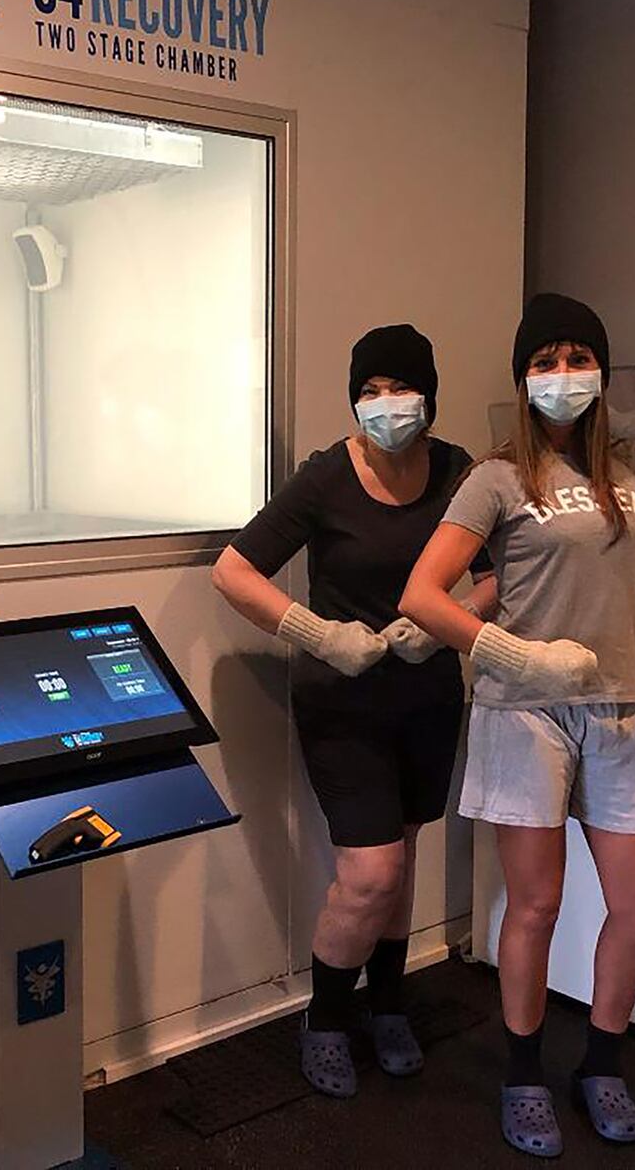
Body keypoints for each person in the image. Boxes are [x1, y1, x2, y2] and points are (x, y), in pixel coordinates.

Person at [399, 294, 635, 1157]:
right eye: (545, 361)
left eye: (576, 358)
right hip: (523, 714)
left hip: (619, 711)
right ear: (524, 378)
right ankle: (523, 1076)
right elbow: (421, 596)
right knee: (537, 903)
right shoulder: (495, 477)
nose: (562, 375)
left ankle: (600, 1063)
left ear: (602, 370)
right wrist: (515, 657)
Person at [212, 324, 498, 1098]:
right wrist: (318, 634)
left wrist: (439, 623)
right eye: (369, 392)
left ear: (428, 399)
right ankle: (330, 1017)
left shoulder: (459, 473)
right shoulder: (325, 479)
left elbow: (498, 573)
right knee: (370, 875)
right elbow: (235, 572)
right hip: (344, 701)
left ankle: (392, 1005)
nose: (385, 405)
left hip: (429, 695)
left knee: (401, 859)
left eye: (399, 389)